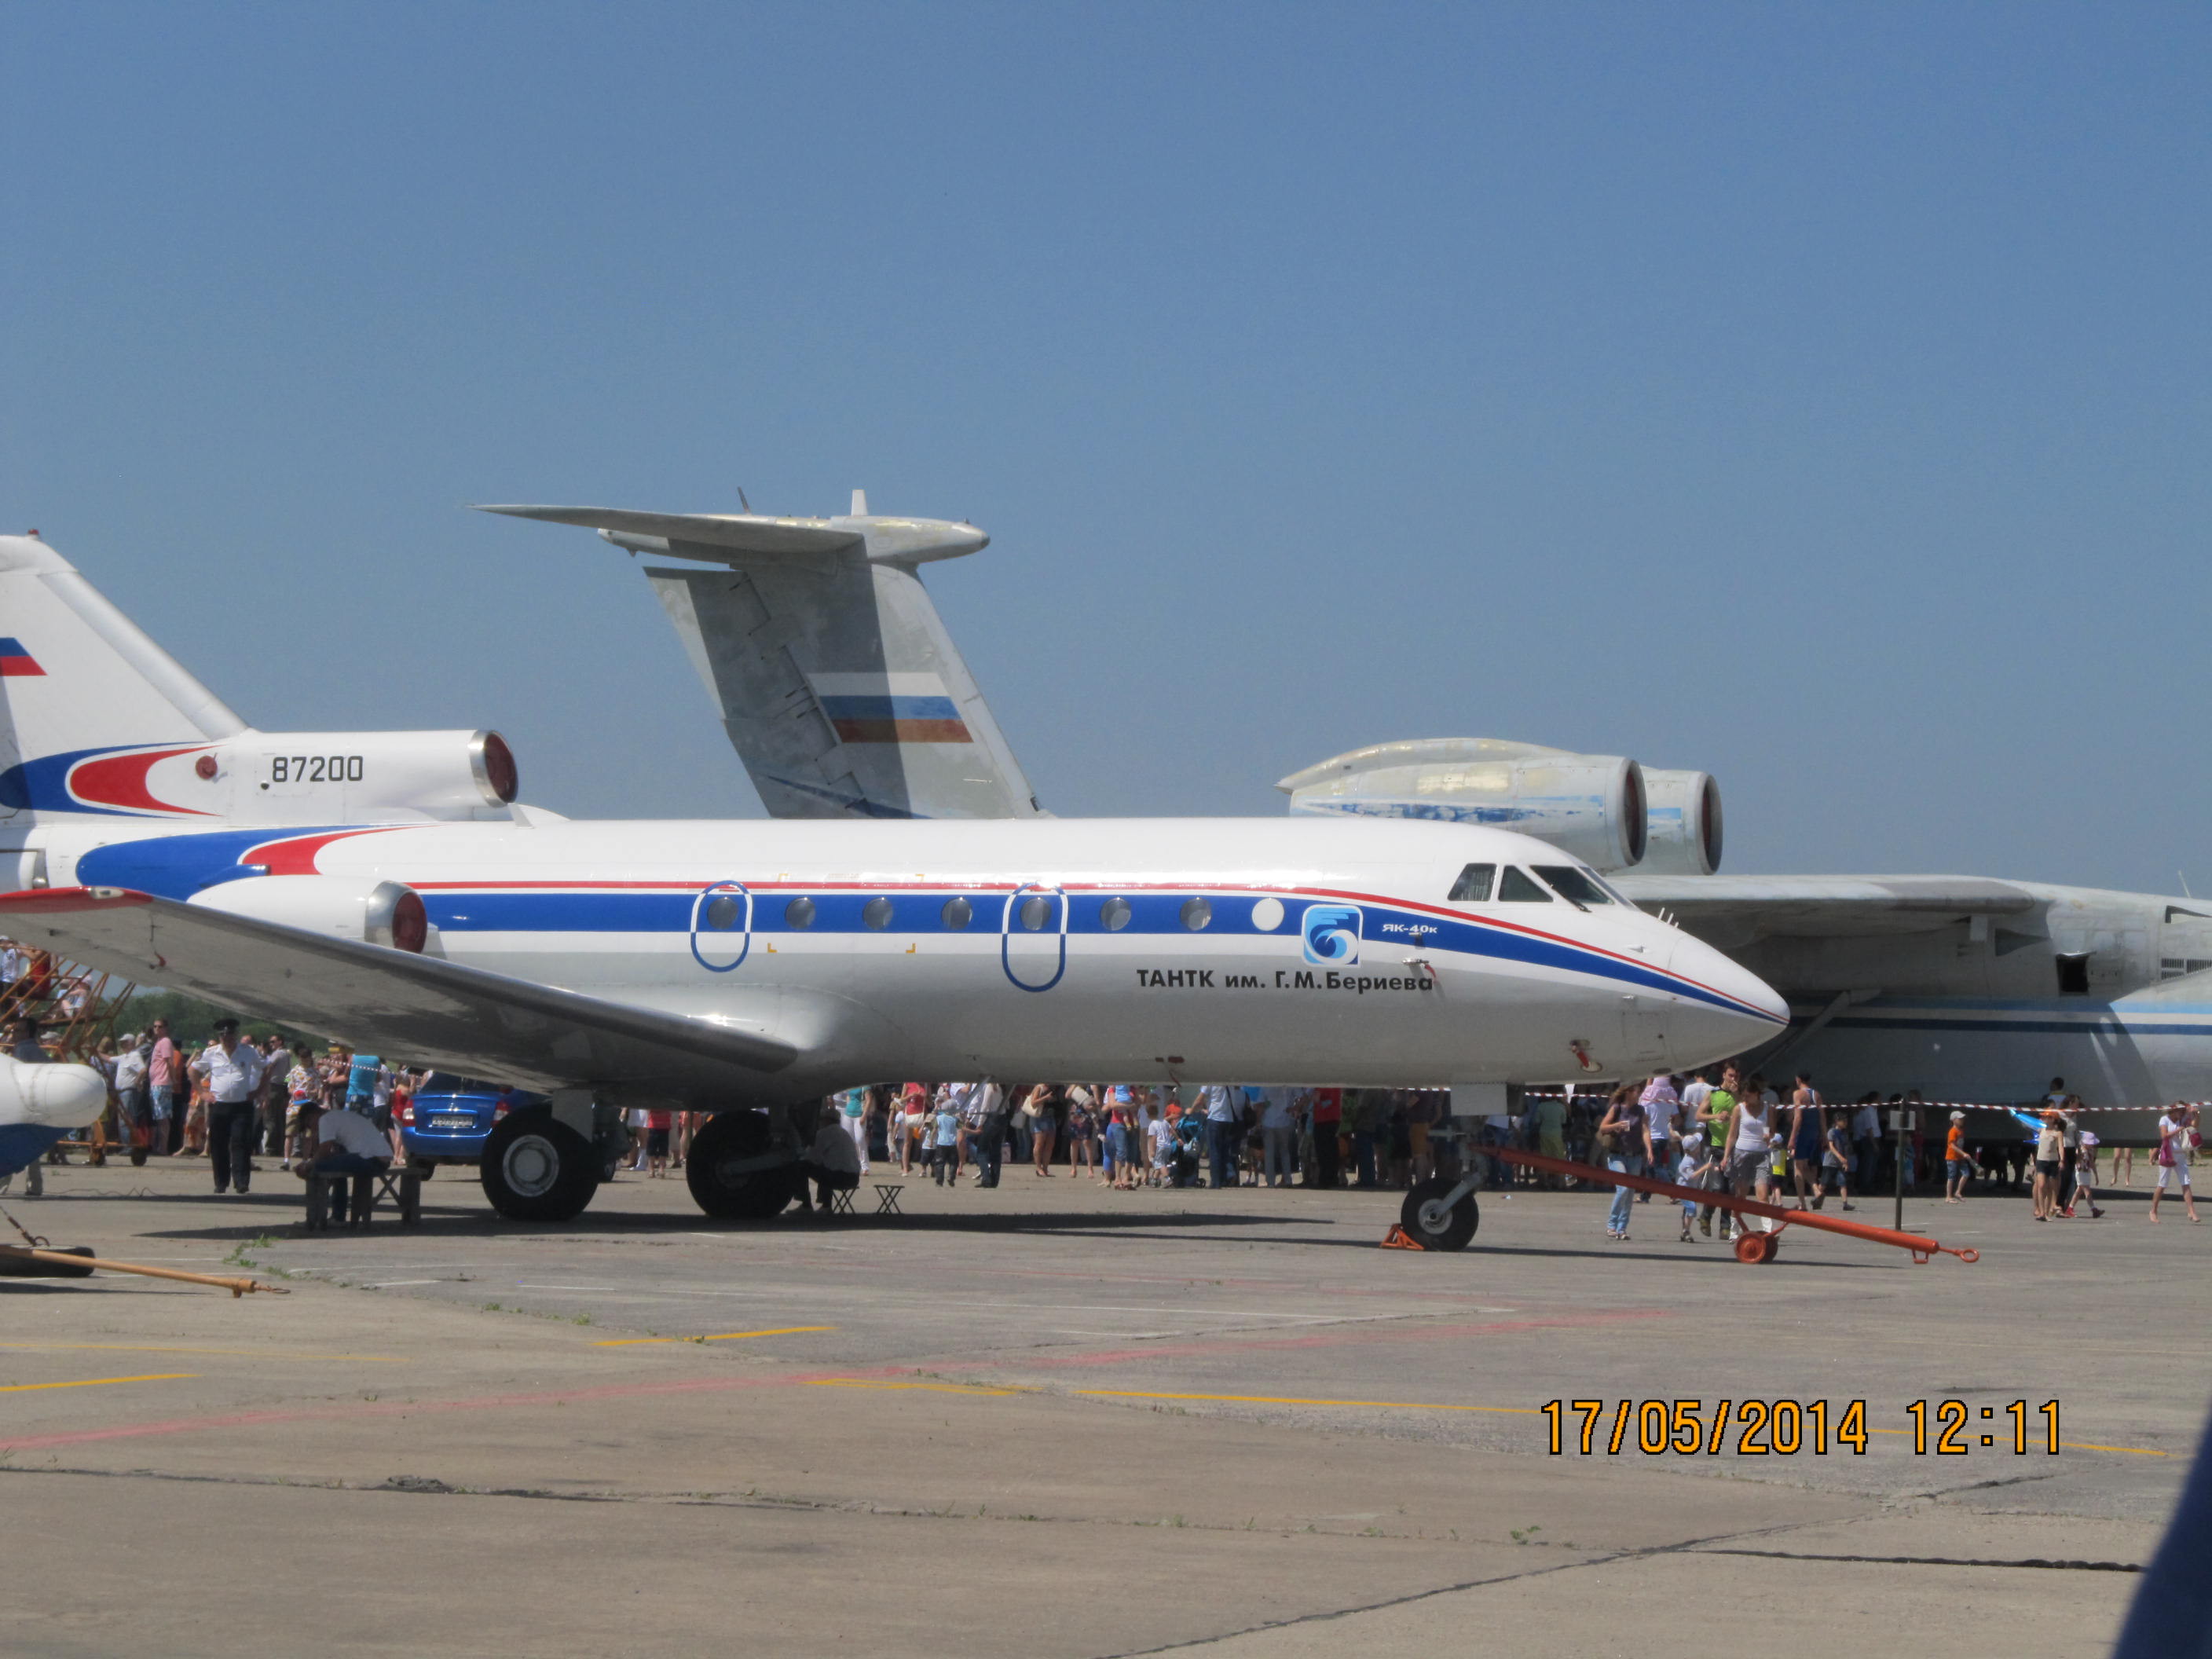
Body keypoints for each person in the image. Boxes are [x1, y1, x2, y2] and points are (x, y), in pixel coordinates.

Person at [189, 1017, 266, 1196]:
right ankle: (221, 1182)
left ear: (235, 1035)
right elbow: (192, 1070)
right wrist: (202, 1092)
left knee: (241, 1142)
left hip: (242, 1105)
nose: (227, 1038)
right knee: (218, 1144)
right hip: (219, 1105)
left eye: (230, 1034)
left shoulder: (248, 1052)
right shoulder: (212, 1053)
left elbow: (266, 1067)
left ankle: (241, 1182)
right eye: (223, 1035)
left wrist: (260, 1090)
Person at [1595, 1084, 1650, 1241]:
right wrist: (1616, 1125)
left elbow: (1645, 1130)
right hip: (1617, 1155)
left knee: (1630, 1192)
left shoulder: (1640, 1110)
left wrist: (1649, 1149)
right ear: (1628, 1092)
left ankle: (1622, 1228)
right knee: (1623, 1189)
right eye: (1637, 1091)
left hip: (1635, 1156)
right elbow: (1603, 1127)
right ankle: (1612, 1225)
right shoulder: (1617, 1108)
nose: (1639, 1094)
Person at [797, 1110, 862, 1213]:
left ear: (826, 1120)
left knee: (801, 1166)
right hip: (854, 1178)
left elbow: (809, 1155)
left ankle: (807, 1204)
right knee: (828, 1166)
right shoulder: (844, 1132)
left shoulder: (825, 1133)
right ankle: (825, 1205)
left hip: (838, 1177)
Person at [2149, 1103, 2200, 1225]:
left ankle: (2191, 1211)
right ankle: (2153, 1211)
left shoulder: (2182, 1120)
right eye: (2180, 1111)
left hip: (2180, 1154)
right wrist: (2179, 1129)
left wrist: (2196, 1115)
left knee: (2186, 1182)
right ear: (2173, 1111)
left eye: (2183, 1111)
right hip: (2168, 1153)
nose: (2182, 1114)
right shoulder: (2164, 1119)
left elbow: (2194, 1126)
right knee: (2162, 1184)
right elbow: (2164, 1136)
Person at [113, 1030, 154, 1167]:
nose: (122, 1045)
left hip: (128, 1092)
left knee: (127, 1119)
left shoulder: (135, 1055)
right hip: (122, 1092)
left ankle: (129, 1146)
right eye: (121, 1043)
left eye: (124, 1043)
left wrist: (137, 1081)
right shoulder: (124, 1057)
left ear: (131, 1043)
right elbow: (108, 1059)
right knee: (124, 1119)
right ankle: (127, 1145)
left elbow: (143, 1070)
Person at [2031, 1110, 2064, 1221]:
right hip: (2041, 1161)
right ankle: (2041, 1212)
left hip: (2053, 1162)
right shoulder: (2041, 1130)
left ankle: (2047, 1212)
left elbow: (2061, 1148)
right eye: (2044, 1117)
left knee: (2050, 1187)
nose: (2045, 1119)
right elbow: (2029, 1123)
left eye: (2048, 1117)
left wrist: (2062, 1160)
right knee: (2041, 1185)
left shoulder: (2057, 1133)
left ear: (2053, 1119)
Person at [1943, 1110, 1976, 1203]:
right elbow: (1952, 1145)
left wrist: (1962, 1154)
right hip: (1952, 1157)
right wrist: (1963, 1153)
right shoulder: (1952, 1131)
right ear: (1953, 1120)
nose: (1962, 1120)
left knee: (1966, 1174)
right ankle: (1948, 1196)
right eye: (1960, 1119)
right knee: (1951, 1177)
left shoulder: (1961, 1131)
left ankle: (1958, 1192)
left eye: (1963, 1119)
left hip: (1960, 1157)